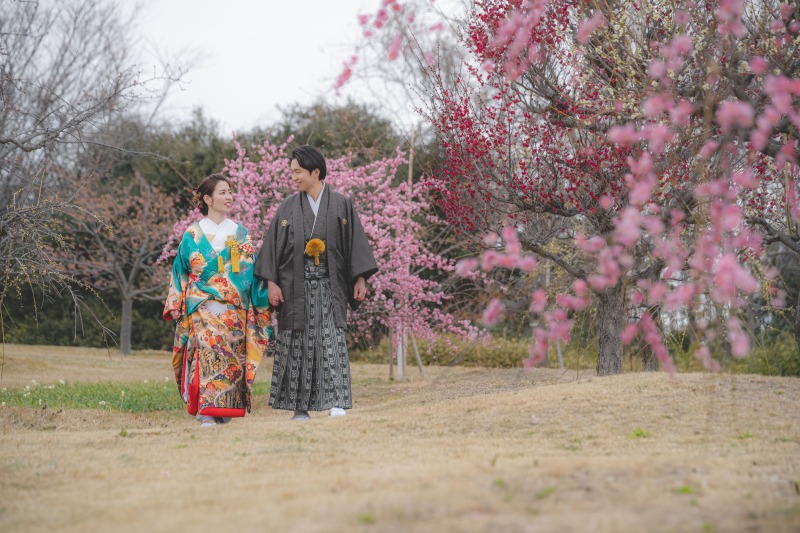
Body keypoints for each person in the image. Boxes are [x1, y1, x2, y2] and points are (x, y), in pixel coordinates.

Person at [255, 145, 377, 420]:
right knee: (296, 343)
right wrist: (272, 284)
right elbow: (272, 248)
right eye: (292, 172)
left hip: (329, 285)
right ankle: (300, 407)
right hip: (294, 287)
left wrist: (360, 278)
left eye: (298, 172)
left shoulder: (341, 203)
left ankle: (335, 401)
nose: (294, 177)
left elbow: (354, 243)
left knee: (331, 340)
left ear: (316, 171)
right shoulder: (287, 206)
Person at [163, 173, 271, 427]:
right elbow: (180, 270)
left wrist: (265, 296)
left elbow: (250, 271)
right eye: (223, 192)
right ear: (207, 199)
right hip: (201, 306)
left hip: (234, 307)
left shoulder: (240, 233)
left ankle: (226, 409)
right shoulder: (192, 234)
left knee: (232, 357)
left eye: (231, 191)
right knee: (207, 353)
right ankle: (205, 411)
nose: (229, 196)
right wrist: (176, 302)